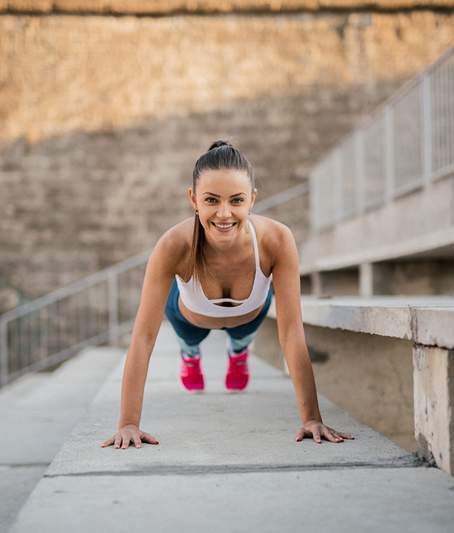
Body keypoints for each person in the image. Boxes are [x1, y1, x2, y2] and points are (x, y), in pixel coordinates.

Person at [101, 140, 354, 450]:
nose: (224, 213)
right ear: (193, 199)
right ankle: (190, 355)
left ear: (252, 200)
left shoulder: (277, 239)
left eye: (236, 200)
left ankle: (239, 351)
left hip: (250, 315)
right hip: (187, 317)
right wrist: (128, 423)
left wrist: (312, 418)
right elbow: (143, 337)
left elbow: (291, 332)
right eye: (211, 200)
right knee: (190, 341)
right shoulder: (173, 245)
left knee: (242, 336)